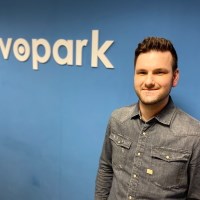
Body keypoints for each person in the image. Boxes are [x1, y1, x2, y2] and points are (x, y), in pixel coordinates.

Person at [95, 37, 200, 199]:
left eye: (159, 72)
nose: (149, 81)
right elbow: (106, 169)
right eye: (142, 72)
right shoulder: (117, 119)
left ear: (175, 77)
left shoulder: (194, 135)